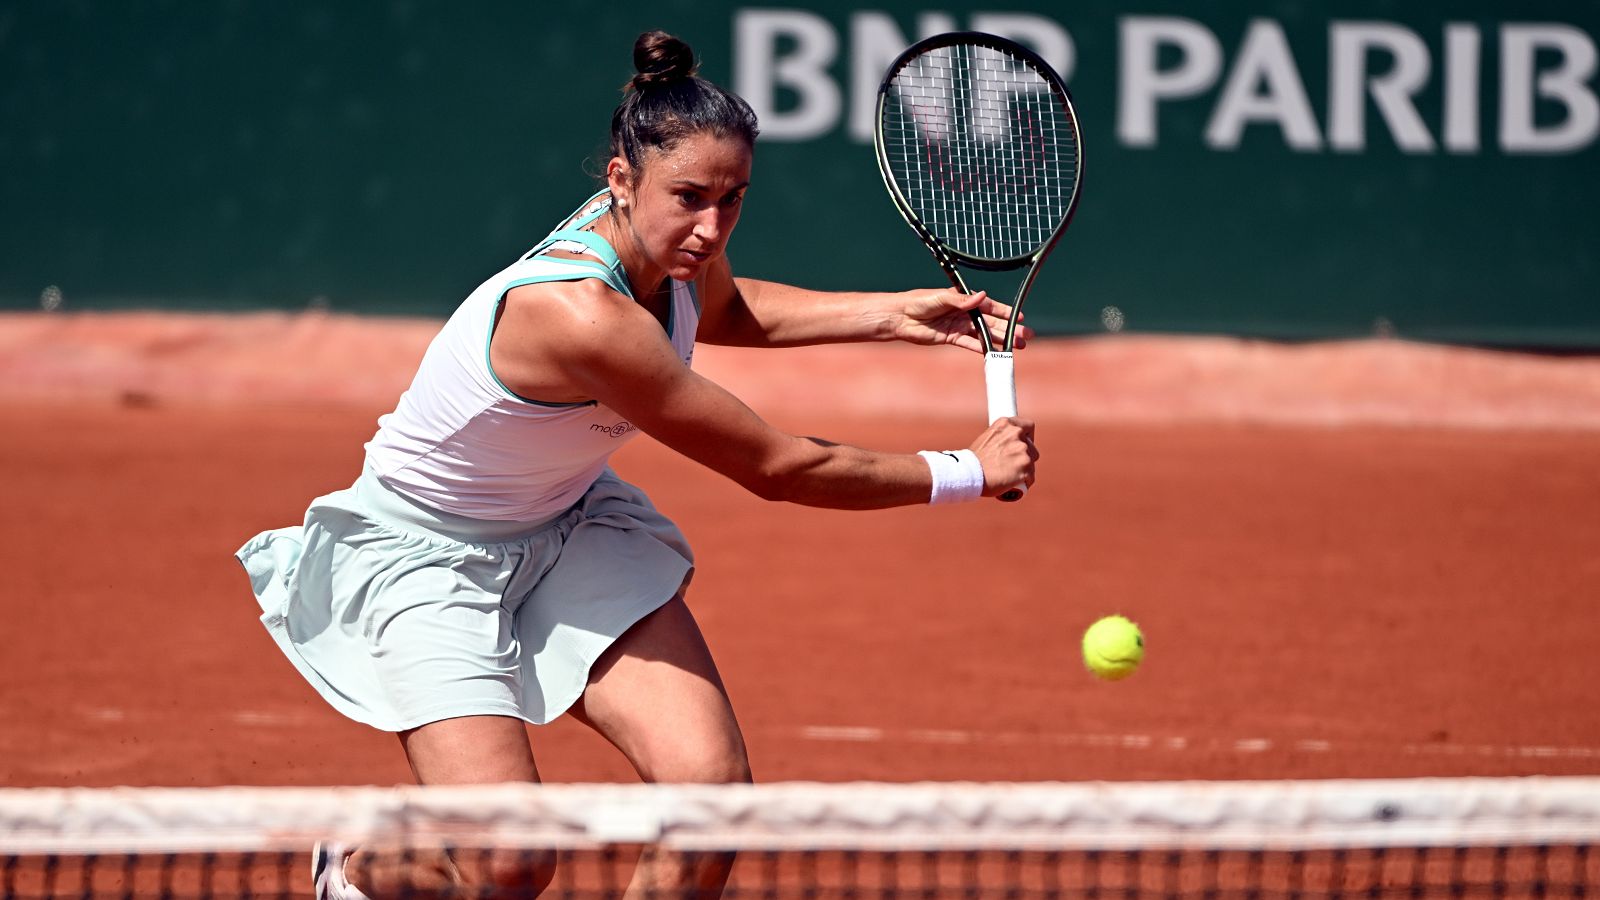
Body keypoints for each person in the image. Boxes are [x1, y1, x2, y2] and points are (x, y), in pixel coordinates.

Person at [236, 29, 1037, 899]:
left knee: (709, 803)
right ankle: (356, 870)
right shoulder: (582, 317)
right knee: (509, 866)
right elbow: (777, 466)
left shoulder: (671, 241)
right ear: (621, 180)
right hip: (422, 561)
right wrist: (967, 469)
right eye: (691, 197)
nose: (711, 226)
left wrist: (893, 316)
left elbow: (726, 307)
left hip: (566, 524)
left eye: (734, 200)